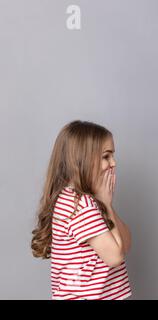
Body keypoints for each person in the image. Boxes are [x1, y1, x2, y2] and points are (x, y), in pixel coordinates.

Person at [31, 120, 132, 300]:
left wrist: (106, 205)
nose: (113, 163)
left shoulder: (88, 200)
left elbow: (126, 245)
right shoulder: (78, 204)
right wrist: (107, 205)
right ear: (84, 159)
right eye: (106, 156)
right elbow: (115, 257)